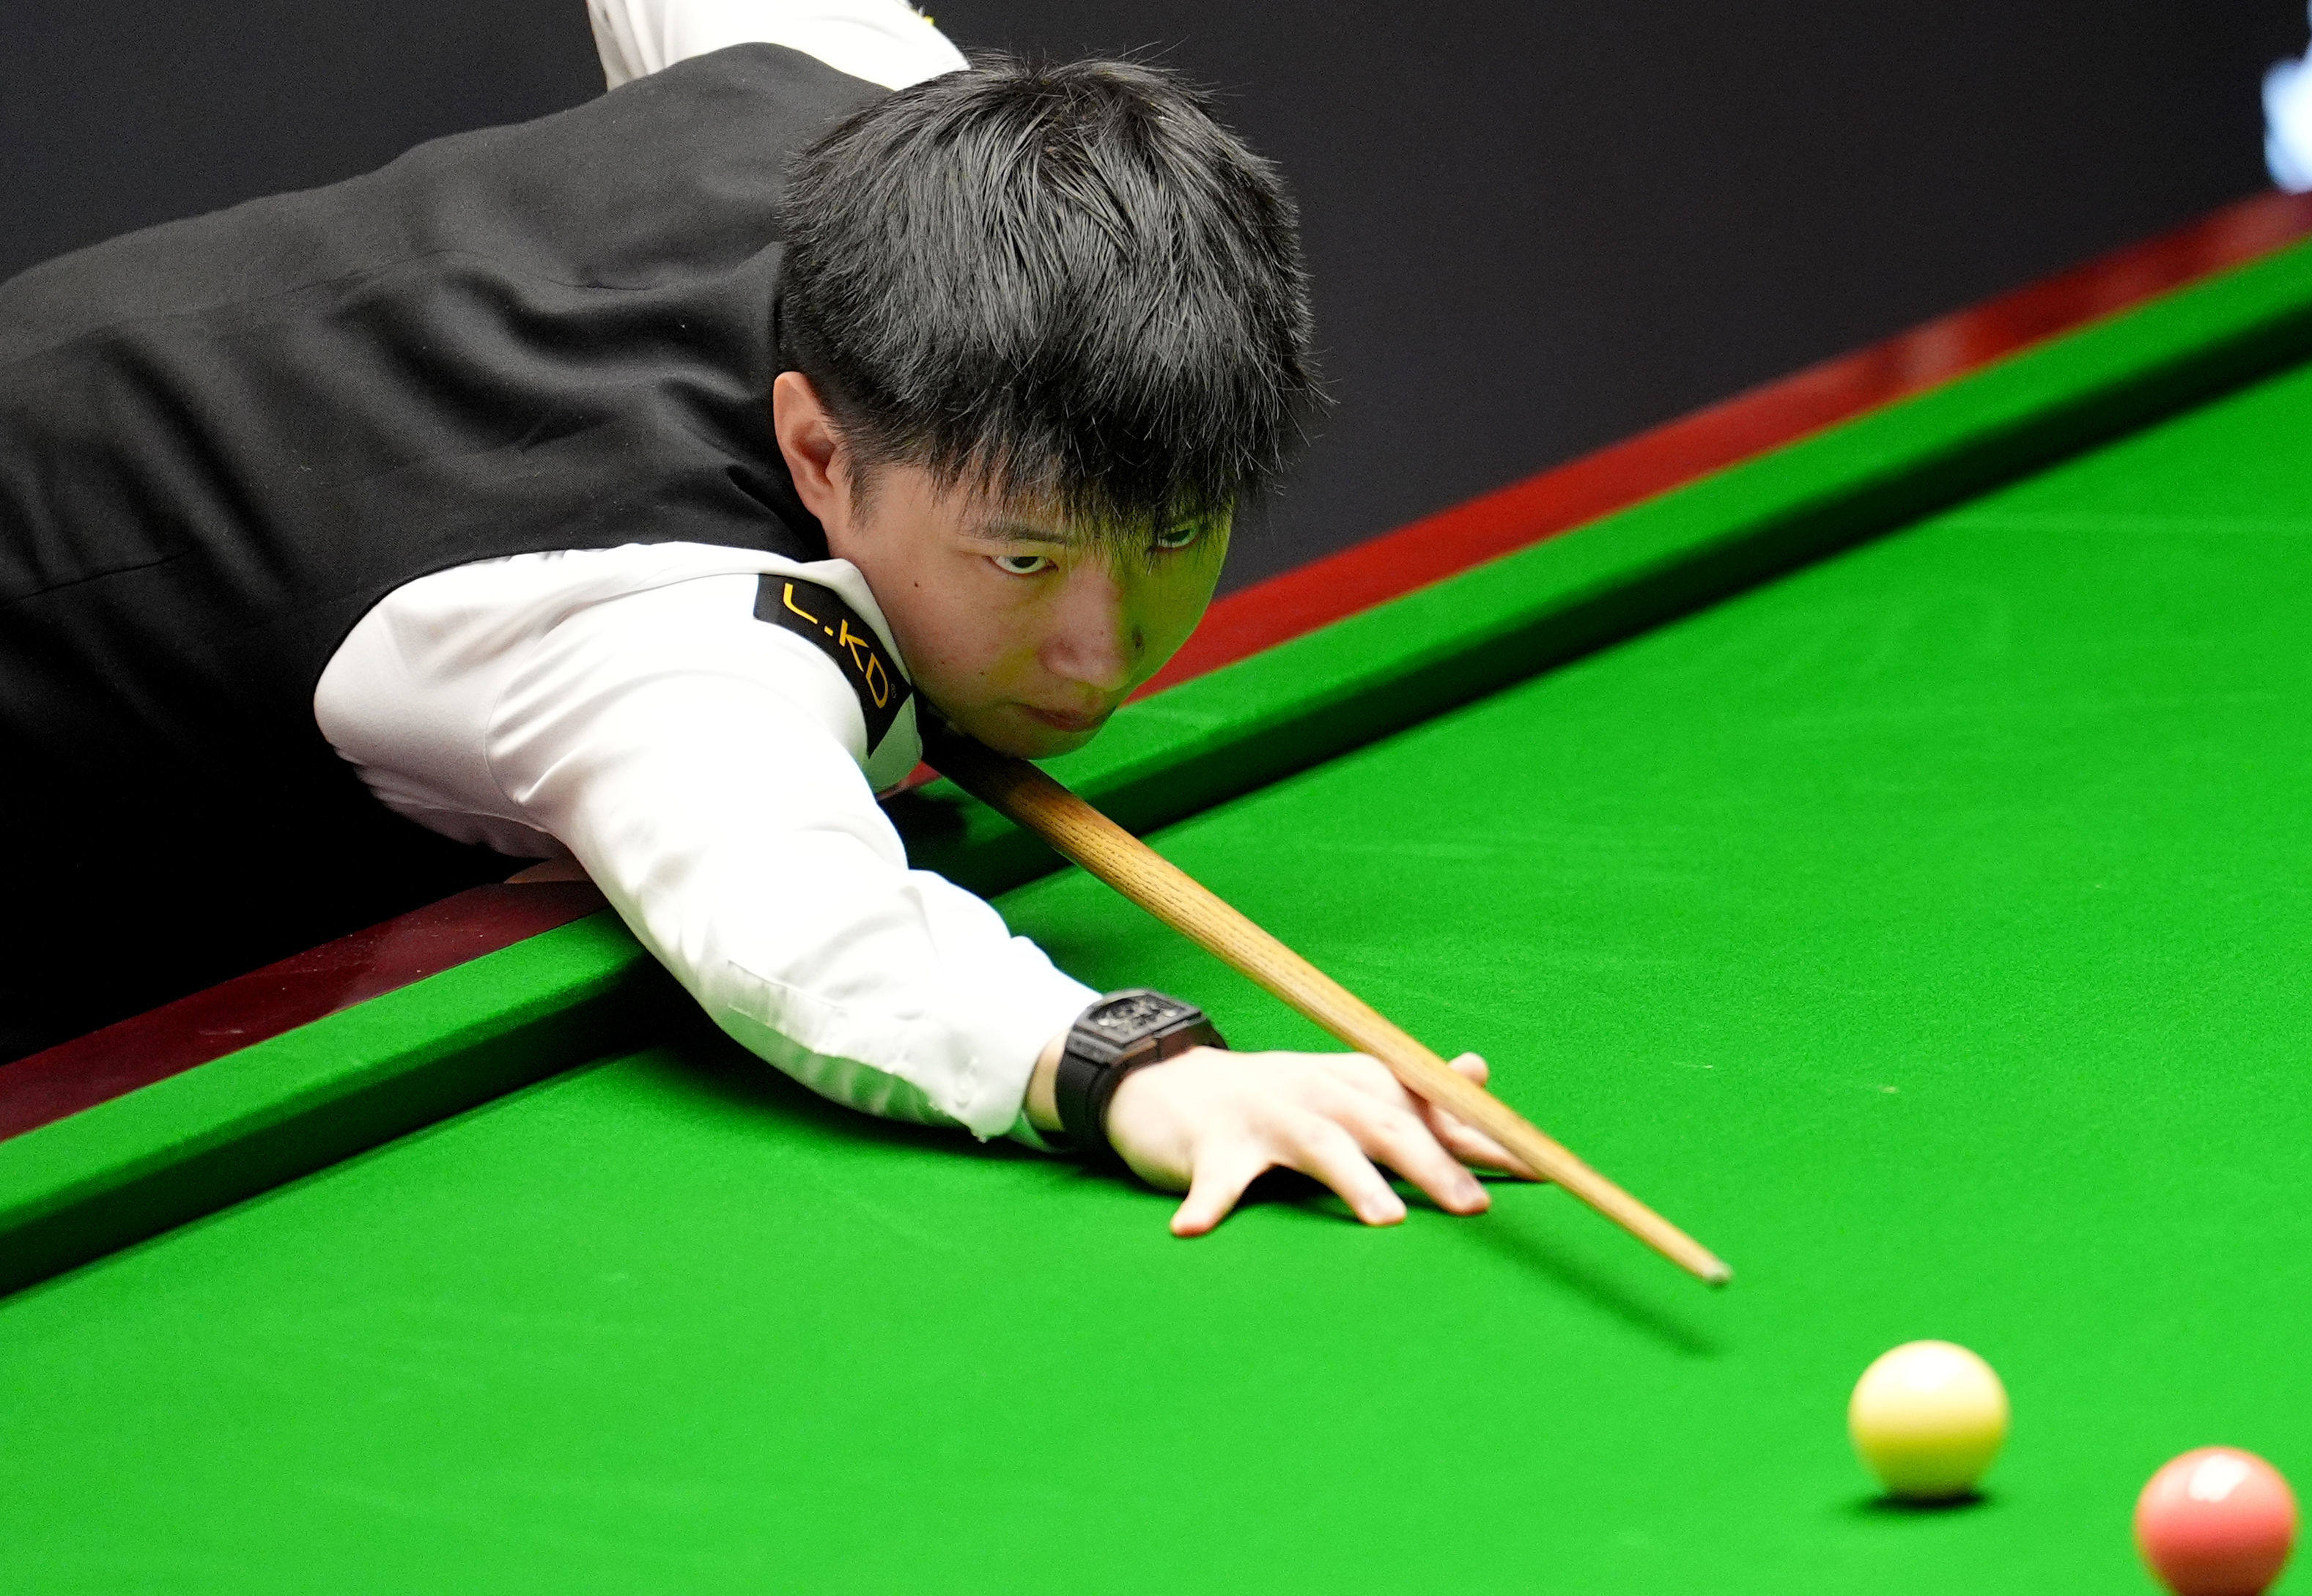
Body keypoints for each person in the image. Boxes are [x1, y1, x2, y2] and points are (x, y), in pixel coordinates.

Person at [0, 1, 1531, 1232]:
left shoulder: (864, 84)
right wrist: (1139, 1070)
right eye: (1021, 562)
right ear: (816, 450)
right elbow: (804, 930)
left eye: (1172, 539)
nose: (1096, 651)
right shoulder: (658, 630)